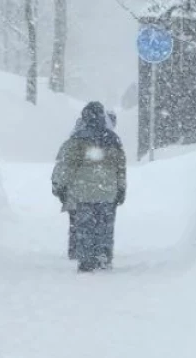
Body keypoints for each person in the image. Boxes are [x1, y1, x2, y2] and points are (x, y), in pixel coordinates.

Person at [53, 101, 126, 272]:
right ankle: (103, 256)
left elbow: (67, 166)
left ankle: (86, 260)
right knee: (105, 227)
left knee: (85, 227)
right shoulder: (113, 139)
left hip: (84, 193)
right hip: (108, 193)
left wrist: (60, 186)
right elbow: (120, 167)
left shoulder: (77, 139)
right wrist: (121, 188)